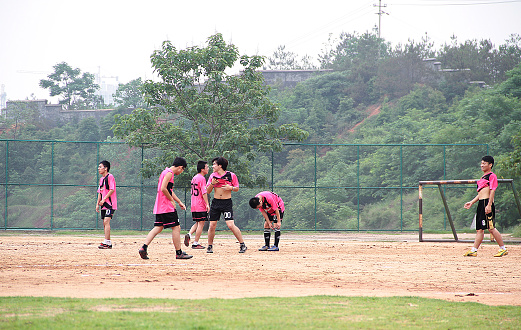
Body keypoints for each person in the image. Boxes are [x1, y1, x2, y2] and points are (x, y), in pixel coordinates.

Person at [138, 157, 192, 260]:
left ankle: (143, 248)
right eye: (183, 169)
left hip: (160, 206)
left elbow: (169, 190)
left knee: (158, 227)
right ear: (180, 167)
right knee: (176, 227)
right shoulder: (169, 173)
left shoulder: (165, 172)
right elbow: (163, 188)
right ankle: (179, 253)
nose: (182, 172)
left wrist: (179, 201)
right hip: (166, 206)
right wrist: (171, 201)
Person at [463, 155, 508, 257]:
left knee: (491, 228)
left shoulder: (492, 176)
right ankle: (473, 250)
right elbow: (481, 194)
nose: (482, 165)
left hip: (486, 203)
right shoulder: (482, 177)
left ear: (490, 165)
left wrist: (489, 205)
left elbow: (492, 191)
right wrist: (471, 202)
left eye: (484, 163)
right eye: (481, 163)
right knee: (479, 229)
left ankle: (503, 248)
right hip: (481, 204)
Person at [206, 156, 247, 253]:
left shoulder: (231, 175)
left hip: (226, 203)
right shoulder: (212, 176)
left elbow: (237, 188)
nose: (212, 166)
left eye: (214, 164)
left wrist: (230, 188)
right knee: (212, 225)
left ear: (220, 165)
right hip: (216, 203)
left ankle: (242, 244)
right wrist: (212, 184)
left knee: (230, 225)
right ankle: (210, 246)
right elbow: (207, 191)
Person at [184, 160, 210, 249]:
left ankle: (189, 234)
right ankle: (195, 243)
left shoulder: (194, 177)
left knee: (198, 222)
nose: (208, 169)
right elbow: (204, 192)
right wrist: (207, 204)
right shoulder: (202, 178)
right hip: (200, 204)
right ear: (202, 169)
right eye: (207, 167)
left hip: (193, 204)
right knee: (201, 224)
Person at [96, 160, 117, 249]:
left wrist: (104, 200)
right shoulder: (101, 180)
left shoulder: (110, 177)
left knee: (106, 221)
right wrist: (97, 204)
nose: (99, 168)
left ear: (106, 168)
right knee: (104, 223)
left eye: (100, 167)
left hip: (110, 204)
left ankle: (107, 242)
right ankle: (107, 242)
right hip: (103, 205)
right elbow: (100, 192)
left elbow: (112, 189)